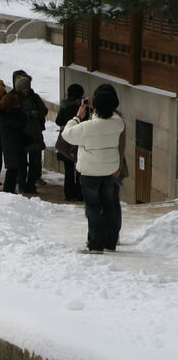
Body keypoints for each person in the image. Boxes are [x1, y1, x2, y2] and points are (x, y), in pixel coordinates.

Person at [60, 83, 125, 254]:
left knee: (94, 208)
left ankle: (95, 244)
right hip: (109, 170)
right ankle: (110, 242)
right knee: (109, 206)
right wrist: (97, 107)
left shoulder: (87, 127)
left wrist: (77, 117)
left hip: (90, 172)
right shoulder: (118, 123)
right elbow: (111, 116)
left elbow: (67, 134)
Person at [0, 71, 33, 193]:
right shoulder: (9, 118)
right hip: (12, 144)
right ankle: (9, 191)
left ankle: (10, 190)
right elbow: (20, 123)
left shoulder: (6, 116)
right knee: (13, 169)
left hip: (13, 144)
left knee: (14, 168)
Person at [16, 73, 49, 195]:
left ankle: (31, 184)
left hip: (35, 133)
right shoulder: (15, 98)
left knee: (35, 163)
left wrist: (35, 113)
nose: (26, 90)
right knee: (22, 163)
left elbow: (44, 110)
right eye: (24, 88)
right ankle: (22, 185)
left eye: (27, 88)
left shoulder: (35, 97)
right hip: (22, 134)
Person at [54, 83, 84, 201]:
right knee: (80, 169)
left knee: (68, 170)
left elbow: (58, 121)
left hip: (67, 141)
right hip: (80, 140)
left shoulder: (65, 106)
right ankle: (80, 193)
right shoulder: (83, 107)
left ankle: (69, 194)